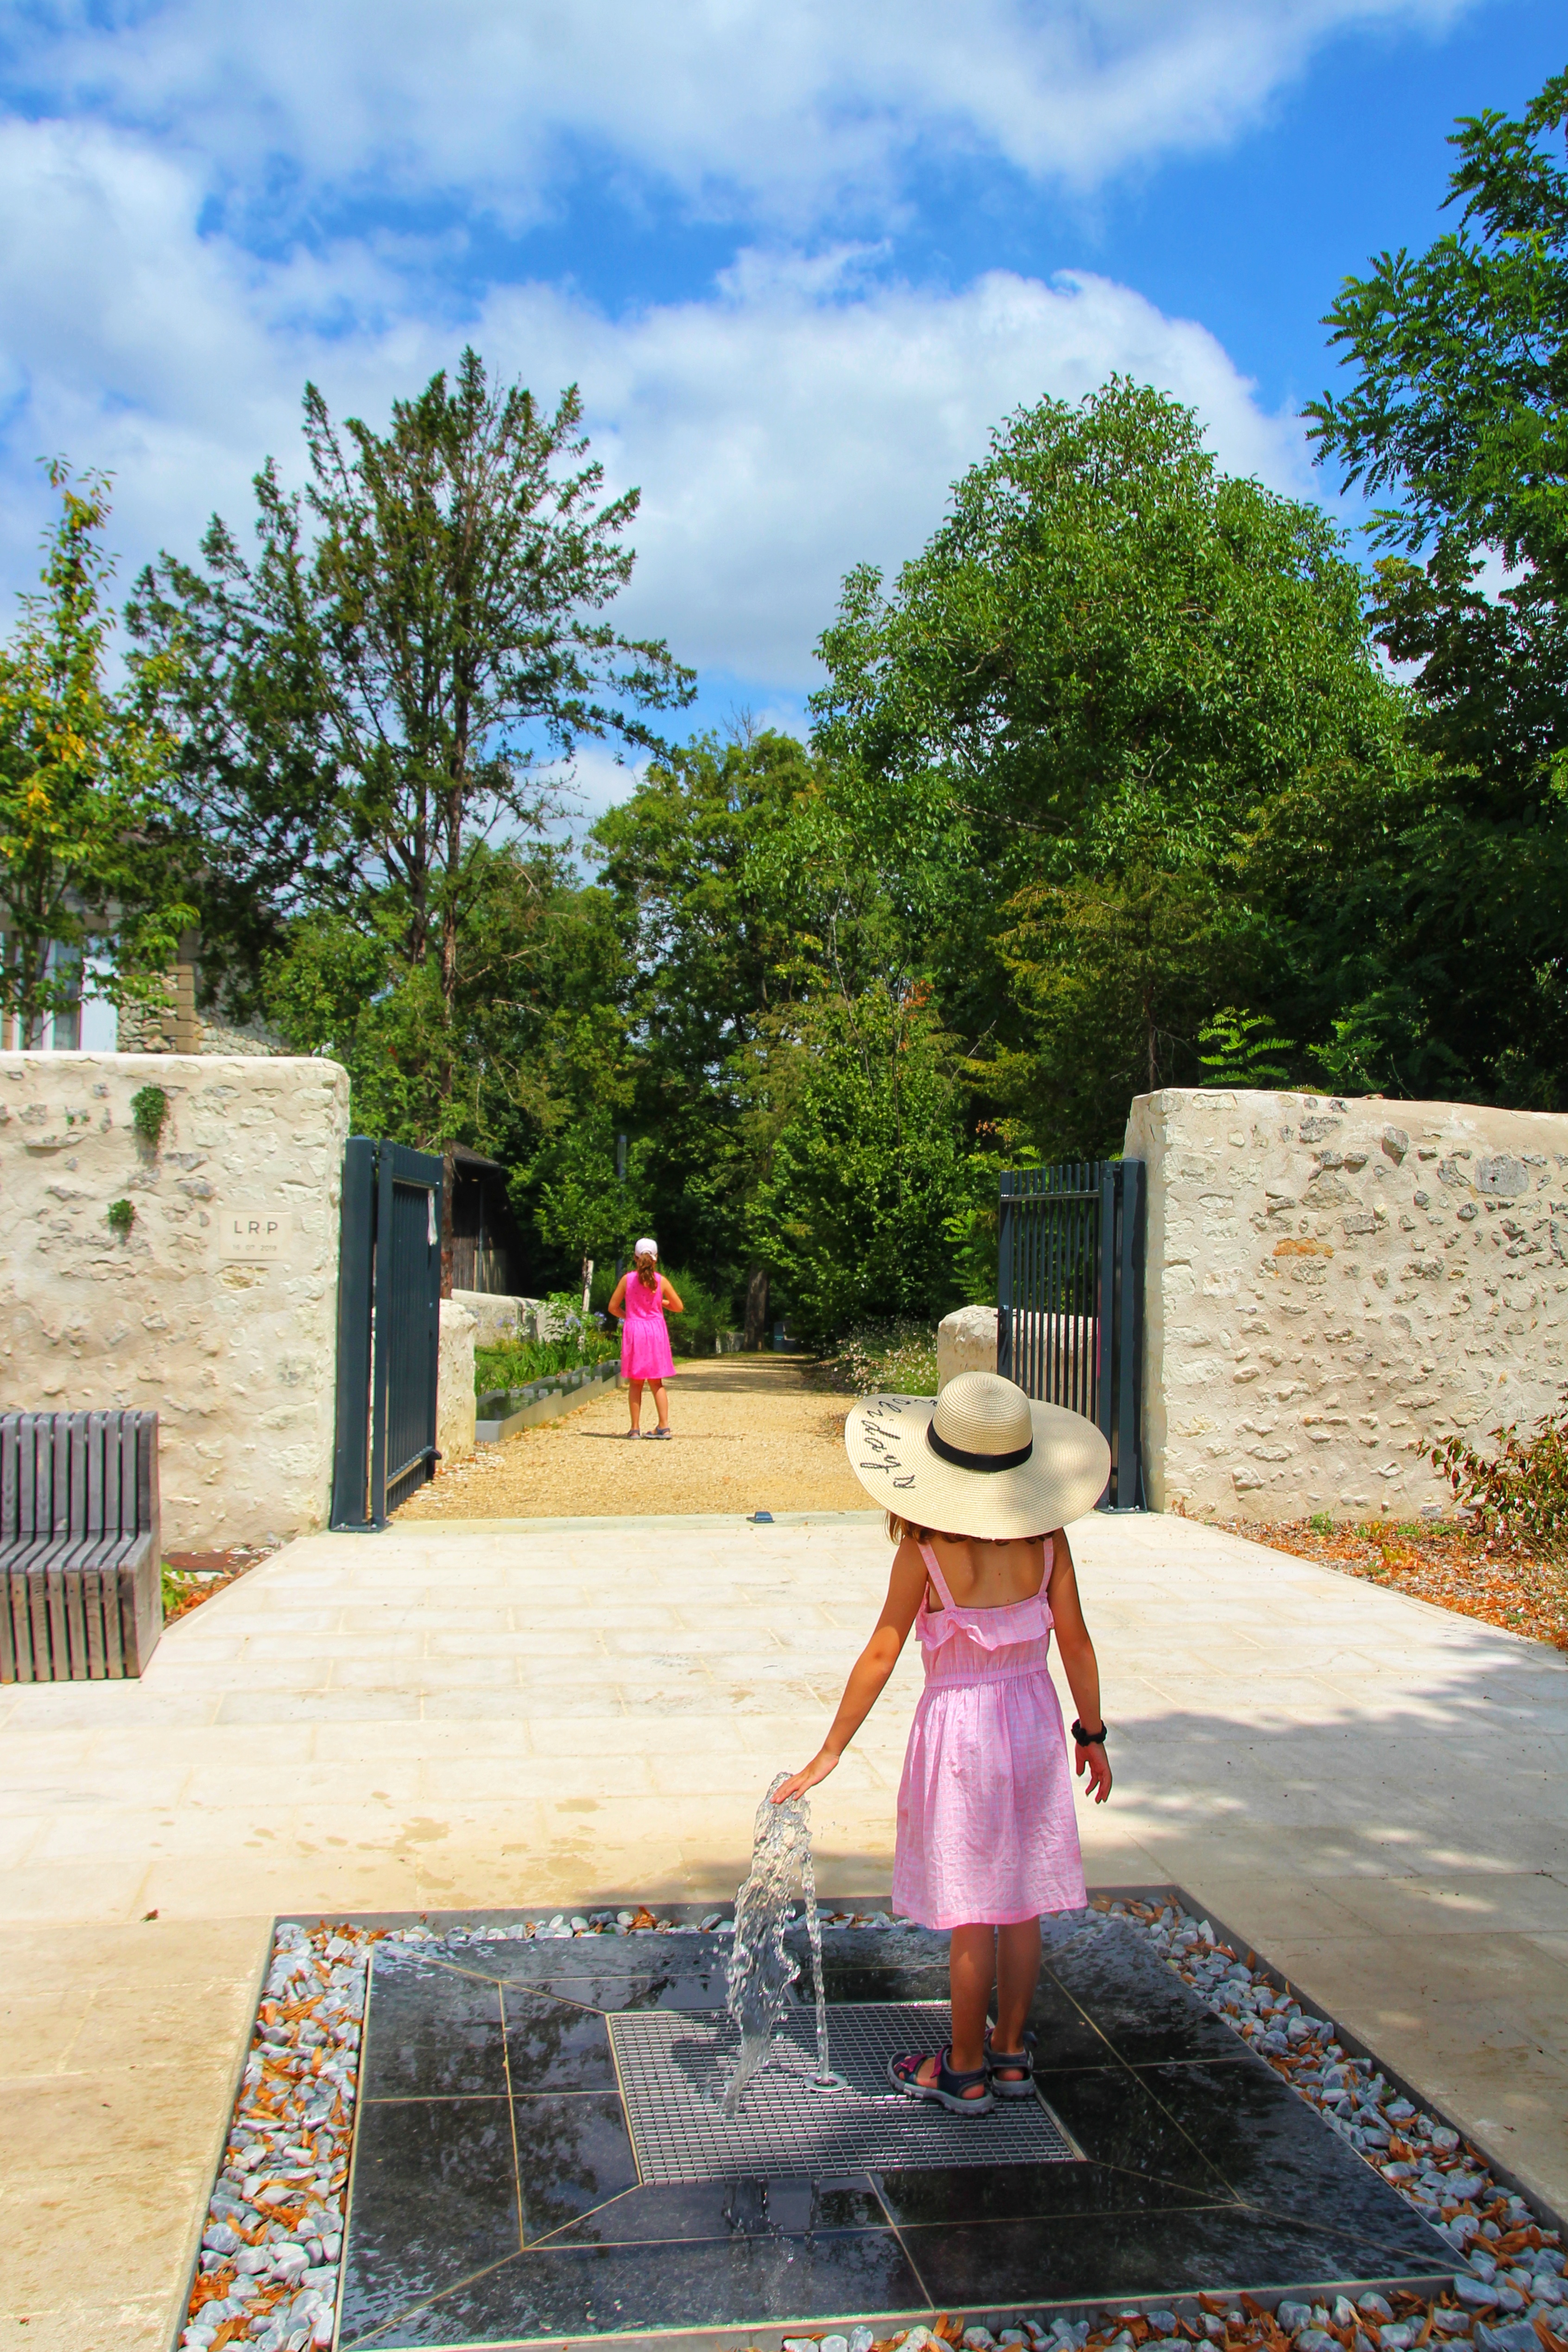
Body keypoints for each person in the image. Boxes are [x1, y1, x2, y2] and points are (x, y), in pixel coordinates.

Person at [772, 1368, 1112, 2116]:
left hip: (958, 1731)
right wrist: (1089, 1732)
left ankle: (960, 2068)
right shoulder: (1048, 1543)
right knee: (1019, 1903)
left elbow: (880, 1652)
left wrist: (828, 1751)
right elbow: (1077, 1643)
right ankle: (1012, 2057)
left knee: (970, 1906)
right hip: (1029, 1720)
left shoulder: (922, 1553)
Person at [607, 1239, 684, 1438]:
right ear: (656, 1259)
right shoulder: (661, 1281)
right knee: (656, 1382)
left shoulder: (627, 1280)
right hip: (656, 1330)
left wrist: (630, 1315)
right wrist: (662, 1302)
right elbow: (678, 1307)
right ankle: (664, 1426)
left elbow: (613, 1307)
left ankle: (634, 1429)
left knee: (636, 1382)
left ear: (635, 1258)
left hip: (635, 1330)